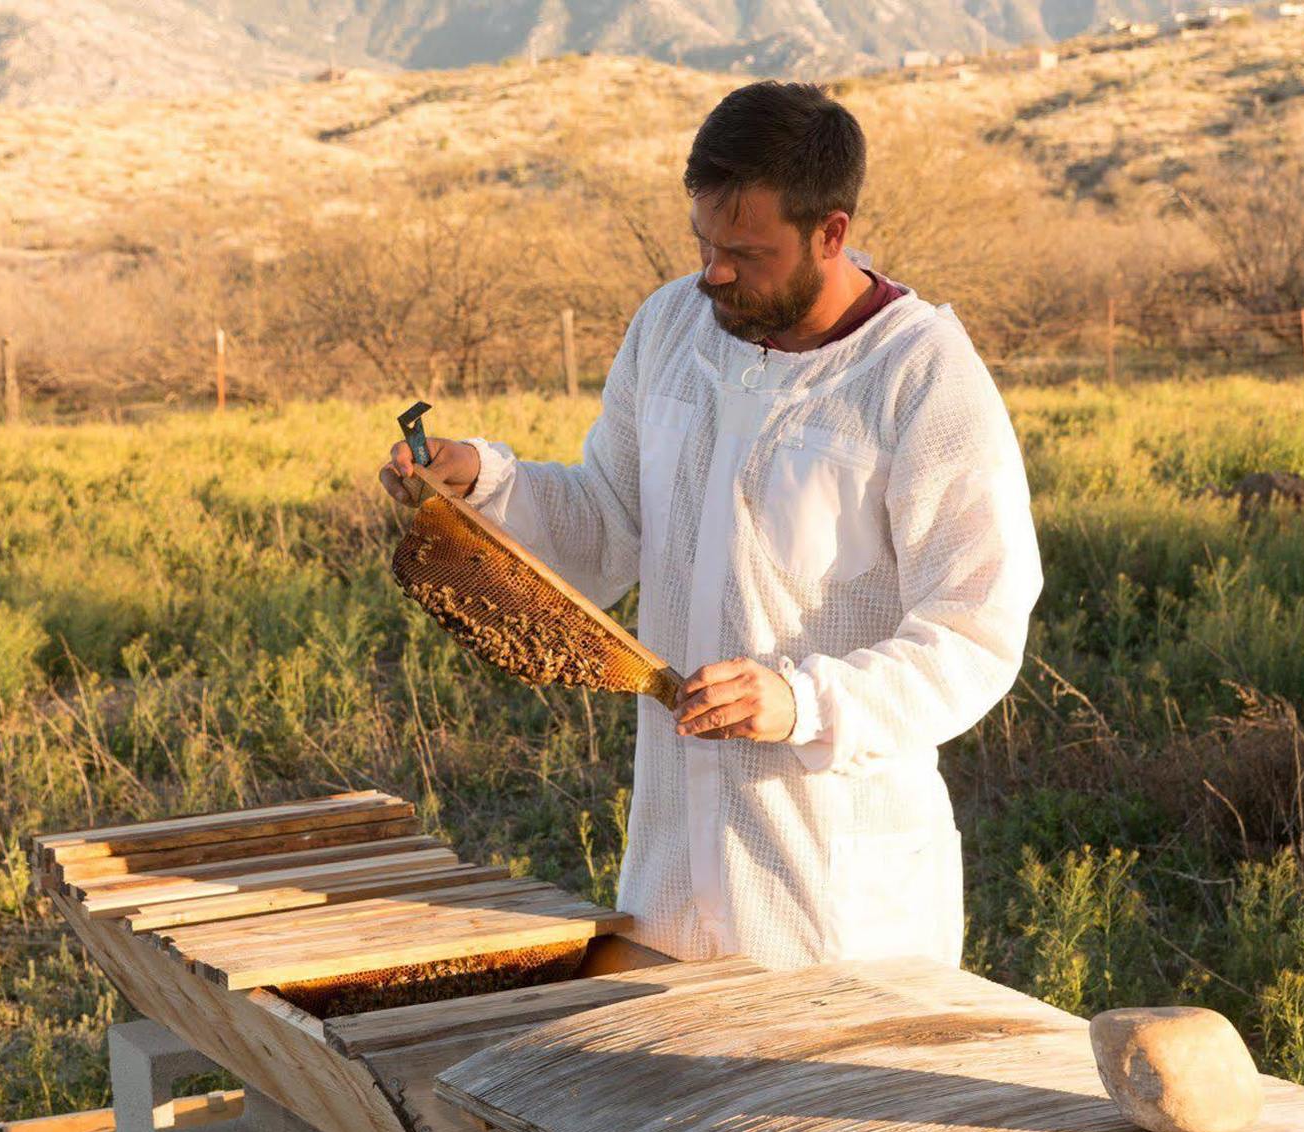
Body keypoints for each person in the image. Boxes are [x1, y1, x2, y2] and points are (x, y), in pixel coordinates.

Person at [382, 80, 1042, 970]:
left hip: (834, 887)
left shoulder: (922, 376)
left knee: (822, 1107)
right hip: (670, 856)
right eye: (704, 242)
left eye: (747, 251)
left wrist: (803, 701)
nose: (716, 272)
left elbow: (974, 635)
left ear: (831, 232)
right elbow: (609, 521)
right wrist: (482, 485)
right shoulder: (670, 326)